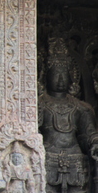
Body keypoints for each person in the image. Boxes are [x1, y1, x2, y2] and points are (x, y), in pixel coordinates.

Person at [39, 38, 98, 193]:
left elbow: (87, 133)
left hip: (76, 161)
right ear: (46, 75)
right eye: (56, 74)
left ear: (71, 76)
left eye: (64, 74)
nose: (60, 79)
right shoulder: (39, 104)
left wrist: (94, 142)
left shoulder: (80, 107)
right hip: (48, 159)